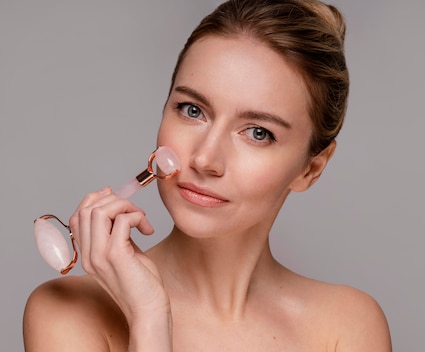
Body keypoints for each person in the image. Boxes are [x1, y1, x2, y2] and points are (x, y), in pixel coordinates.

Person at [23, 0, 392, 350]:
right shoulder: (65, 312)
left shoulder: (348, 325)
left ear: (311, 169)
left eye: (258, 132)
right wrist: (149, 315)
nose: (205, 158)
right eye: (192, 110)